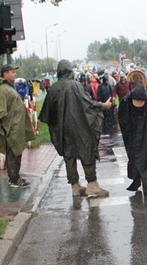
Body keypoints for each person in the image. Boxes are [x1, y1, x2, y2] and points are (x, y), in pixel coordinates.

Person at [38, 59, 113, 197]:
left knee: (69, 155)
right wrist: (103, 106)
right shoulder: (75, 85)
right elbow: (88, 103)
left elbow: (46, 114)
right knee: (87, 150)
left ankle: (75, 185)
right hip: (79, 126)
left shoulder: (53, 89)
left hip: (62, 129)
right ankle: (92, 184)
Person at [0, 65, 36, 188]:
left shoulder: (7, 88)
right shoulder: (3, 90)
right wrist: (6, 128)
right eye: (12, 72)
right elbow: (1, 111)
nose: (15, 75)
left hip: (15, 128)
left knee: (16, 153)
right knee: (13, 154)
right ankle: (13, 179)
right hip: (11, 129)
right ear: (5, 74)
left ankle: (15, 177)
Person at [118, 84, 147, 196]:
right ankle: (137, 179)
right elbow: (123, 122)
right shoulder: (125, 102)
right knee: (135, 159)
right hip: (133, 135)